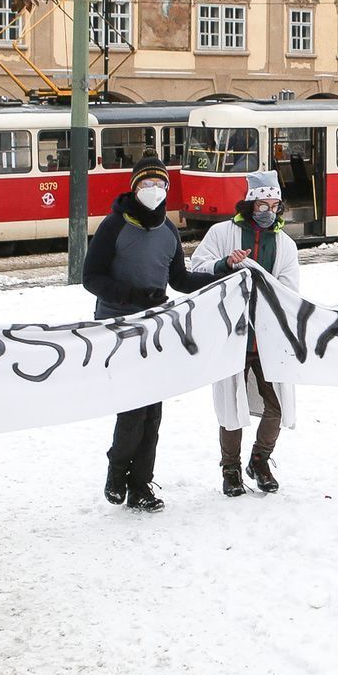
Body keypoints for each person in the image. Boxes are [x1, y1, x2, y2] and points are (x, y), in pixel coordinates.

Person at [83, 156, 217, 512]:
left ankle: (141, 484)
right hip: (119, 329)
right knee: (131, 409)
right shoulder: (114, 226)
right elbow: (91, 277)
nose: (154, 191)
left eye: (161, 185)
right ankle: (117, 472)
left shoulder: (168, 230)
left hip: (157, 330)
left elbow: (181, 280)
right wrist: (132, 296)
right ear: (134, 188)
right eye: (147, 185)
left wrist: (224, 273)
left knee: (152, 412)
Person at [189, 171, 299, 497]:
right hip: (231, 336)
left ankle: (260, 461)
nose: (268, 210)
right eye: (263, 203)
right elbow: (197, 267)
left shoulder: (284, 244)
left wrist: (260, 282)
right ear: (250, 202)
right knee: (232, 407)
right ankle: (231, 470)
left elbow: (290, 290)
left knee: (276, 407)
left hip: (267, 340)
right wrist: (225, 265)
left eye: (274, 204)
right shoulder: (222, 232)